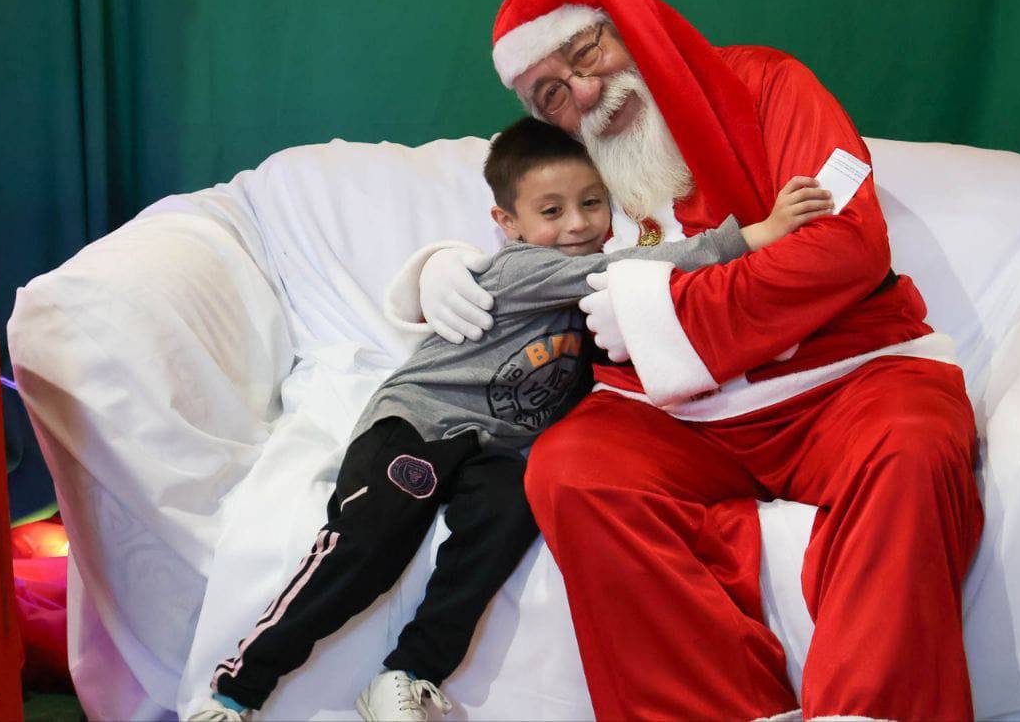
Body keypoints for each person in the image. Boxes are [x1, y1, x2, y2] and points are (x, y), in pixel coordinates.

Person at [404, 0, 985, 721]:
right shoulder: (586, 157)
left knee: (914, 443)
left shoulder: (768, 84)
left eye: (585, 52)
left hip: (844, 373)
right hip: (674, 412)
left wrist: (664, 310)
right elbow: (535, 225)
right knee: (572, 469)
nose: (586, 91)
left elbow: (846, 244)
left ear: (630, 24)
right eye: (552, 93)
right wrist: (442, 267)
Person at [188, 116, 831, 722]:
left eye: (592, 203)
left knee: (506, 520)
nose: (577, 224)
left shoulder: (593, 294)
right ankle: (234, 691)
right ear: (508, 223)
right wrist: (750, 237)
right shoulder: (529, 269)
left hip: (496, 449)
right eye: (551, 212)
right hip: (422, 425)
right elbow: (620, 270)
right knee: (368, 546)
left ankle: (409, 672)